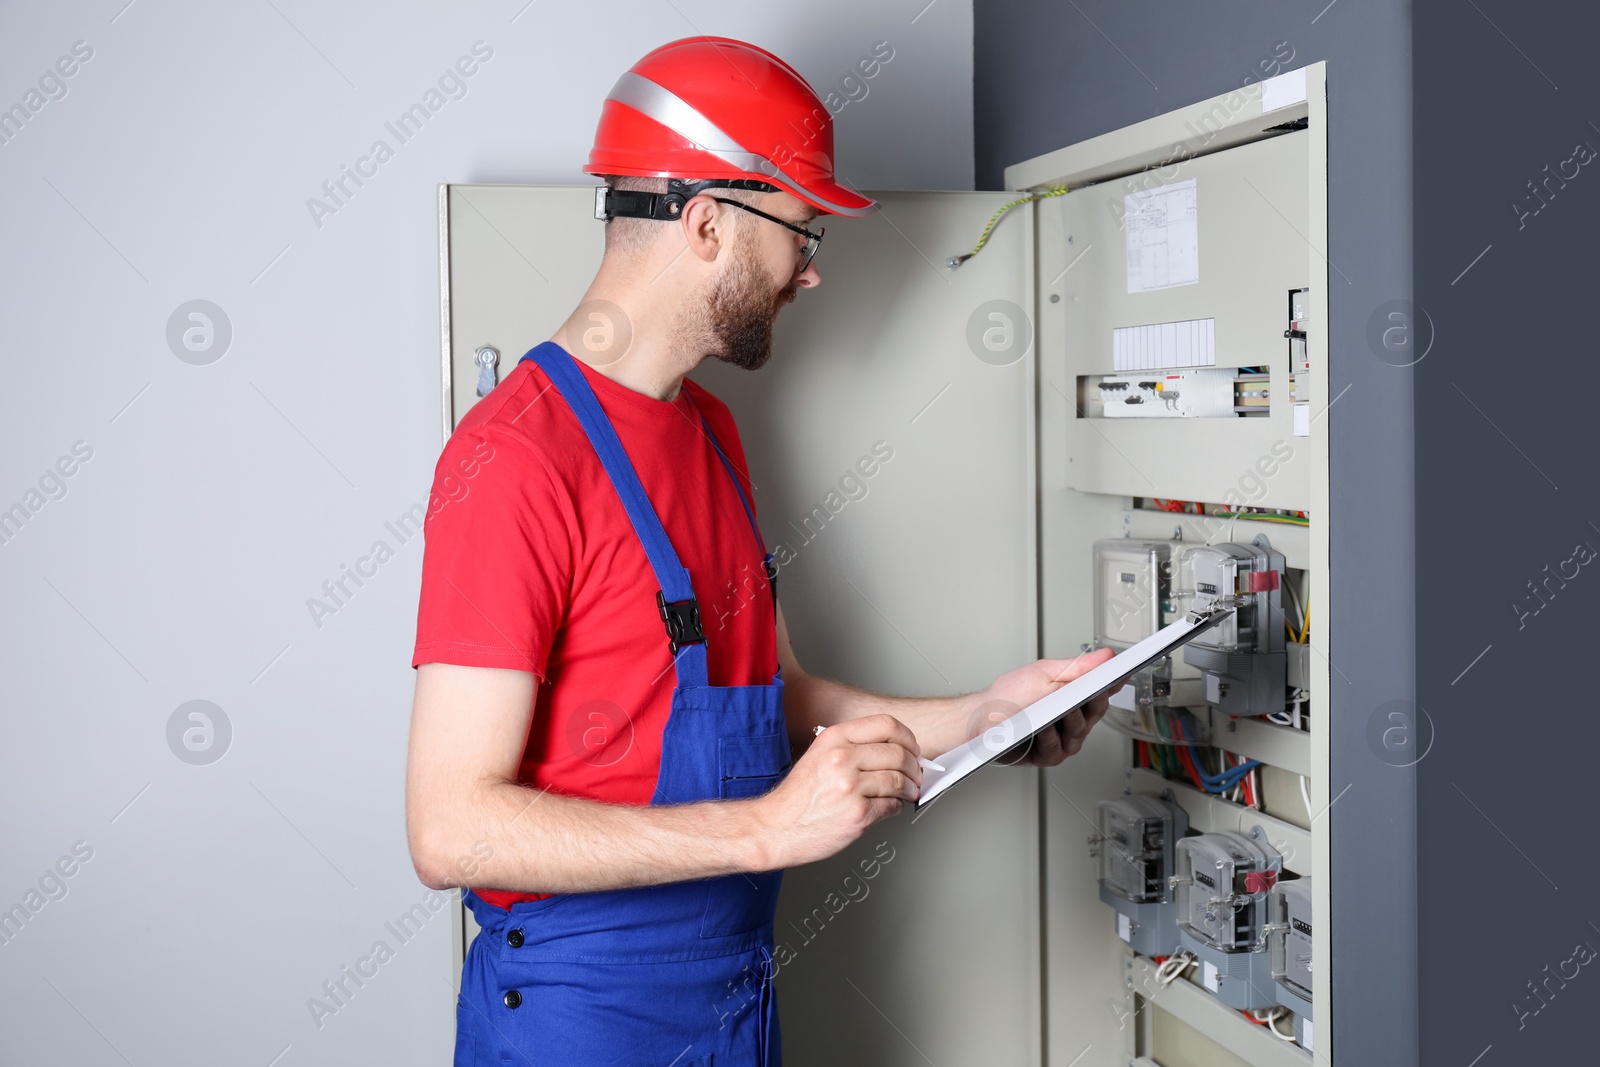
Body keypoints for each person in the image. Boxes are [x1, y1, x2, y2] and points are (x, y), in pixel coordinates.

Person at [404, 35, 1115, 1067]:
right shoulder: (513, 460)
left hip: (730, 995)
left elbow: (762, 694)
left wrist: (982, 716)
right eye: (801, 228)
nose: (812, 270)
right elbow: (450, 827)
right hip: (585, 1013)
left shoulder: (707, 433)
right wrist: (767, 831)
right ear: (705, 223)